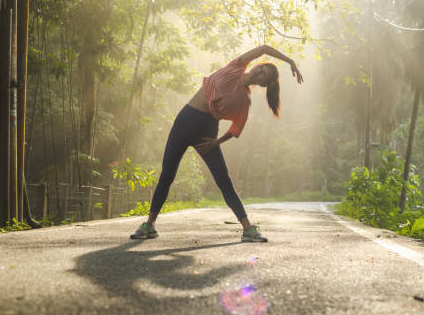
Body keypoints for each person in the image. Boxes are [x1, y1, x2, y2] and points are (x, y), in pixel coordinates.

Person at [130, 44, 304, 242]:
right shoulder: (235, 67)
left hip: (207, 132)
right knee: (167, 175)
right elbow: (264, 48)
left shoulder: (244, 102)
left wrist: (217, 142)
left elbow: (236, 129)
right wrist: (290, 61)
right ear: (257, 65)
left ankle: (248, 229)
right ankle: (149, 224)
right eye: (263, 67)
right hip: (184, 121)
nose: (261, 71)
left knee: (224, 180)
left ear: (264, 84)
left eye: (265, 75)